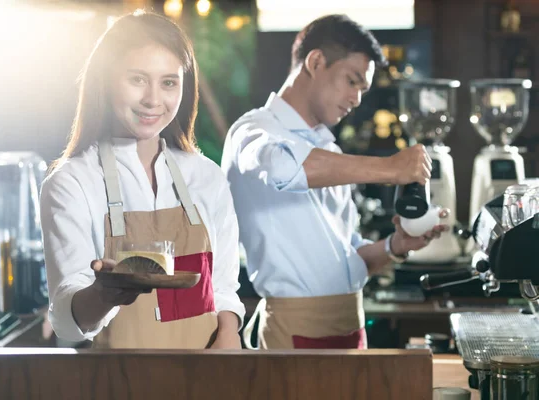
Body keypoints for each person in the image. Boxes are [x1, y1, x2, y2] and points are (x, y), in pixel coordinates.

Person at [221, 14, 449, 350]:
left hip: (351, 327)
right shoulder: (253, 132)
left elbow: (349, 256)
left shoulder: (328, 148)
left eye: (364, 88)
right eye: (352, 81)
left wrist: (396, 246)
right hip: (294, 331)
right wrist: (391, 168)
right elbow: (284, 168)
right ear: (315, 62)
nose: (357, 99)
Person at [40, 10, 245, 349]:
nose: (153, 99)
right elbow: (67, 320)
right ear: (105, 80)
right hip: (118, 384)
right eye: (137, 79)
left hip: (208, 378)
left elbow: (223, 290)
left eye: (168, 82)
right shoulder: (72, 182)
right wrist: (105, 293)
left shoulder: (206, 176)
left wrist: (228, 335)